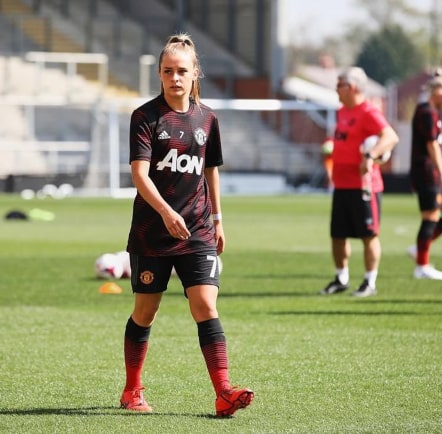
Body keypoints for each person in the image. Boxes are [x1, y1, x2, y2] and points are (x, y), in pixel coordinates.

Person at [120, 33, 254, 416]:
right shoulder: (145, 117)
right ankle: (132, 390)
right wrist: (165, 211)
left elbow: (210, 170)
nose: (174, 78)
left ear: (196, 73)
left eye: (181, 71)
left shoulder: (208, 119)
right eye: (167, 71)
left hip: (198, 230)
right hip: (152, 231)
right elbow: (140, 175)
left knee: (206, 306)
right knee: (145, 312)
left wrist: (217, 219)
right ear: (159, 74)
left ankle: (224, 391)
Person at [320, 66, 399, 297]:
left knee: (368, 235)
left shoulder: (369, 112)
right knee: (337, 235)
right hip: (341, 184)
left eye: (339, 85)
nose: (336, 89)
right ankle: (341, 278)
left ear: (352, 87)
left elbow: (390, 136)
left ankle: (369, 282)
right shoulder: (342, 112)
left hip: (364, 186)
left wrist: (371, 155)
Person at [407, 73, 442, 280]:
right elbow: (432, 146)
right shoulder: (426, 113)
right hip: (427, 172)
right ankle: (422, 265)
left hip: (433, 172)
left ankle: (419, 249)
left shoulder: (432, 112)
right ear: (438, 93)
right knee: (430, 217)